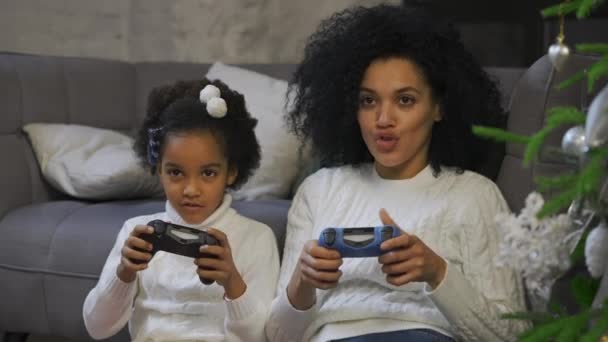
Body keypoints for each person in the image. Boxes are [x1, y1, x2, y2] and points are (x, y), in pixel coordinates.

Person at [265, 4, 528, 342]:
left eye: (404, 100)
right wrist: (302, 283)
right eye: (368, 101)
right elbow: (276, 337)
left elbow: (513, 336)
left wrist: (438, 273)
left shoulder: (475, 194)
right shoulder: (318, 190)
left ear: (439, 107)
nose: (383, 119)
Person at [83, 79, 280, 341]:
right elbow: (97, 327)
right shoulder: (136, 232)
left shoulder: (256, 238)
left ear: (231, 171)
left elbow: (260, 337)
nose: (190, 189)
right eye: (175, 172)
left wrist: (232, 282)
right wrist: (124, 274)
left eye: (208, 173)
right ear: (157, 169)